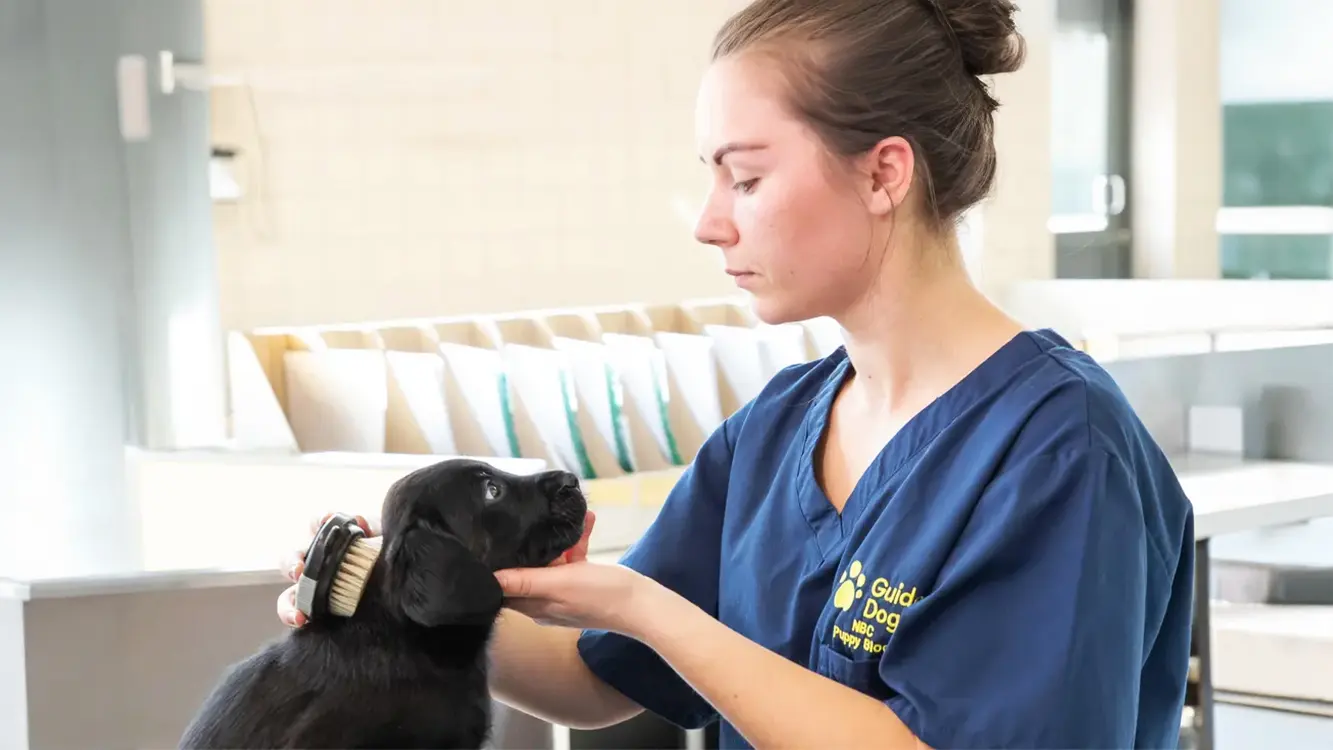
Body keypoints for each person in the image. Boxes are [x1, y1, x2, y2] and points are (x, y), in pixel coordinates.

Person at [277, 0, 1196, 747]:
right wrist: (384, 593)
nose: (709, 223)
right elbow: (597, 680)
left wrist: (647, 608)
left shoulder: (1057, 448)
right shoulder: (778, 428)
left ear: (883, 174)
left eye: (745, 179)